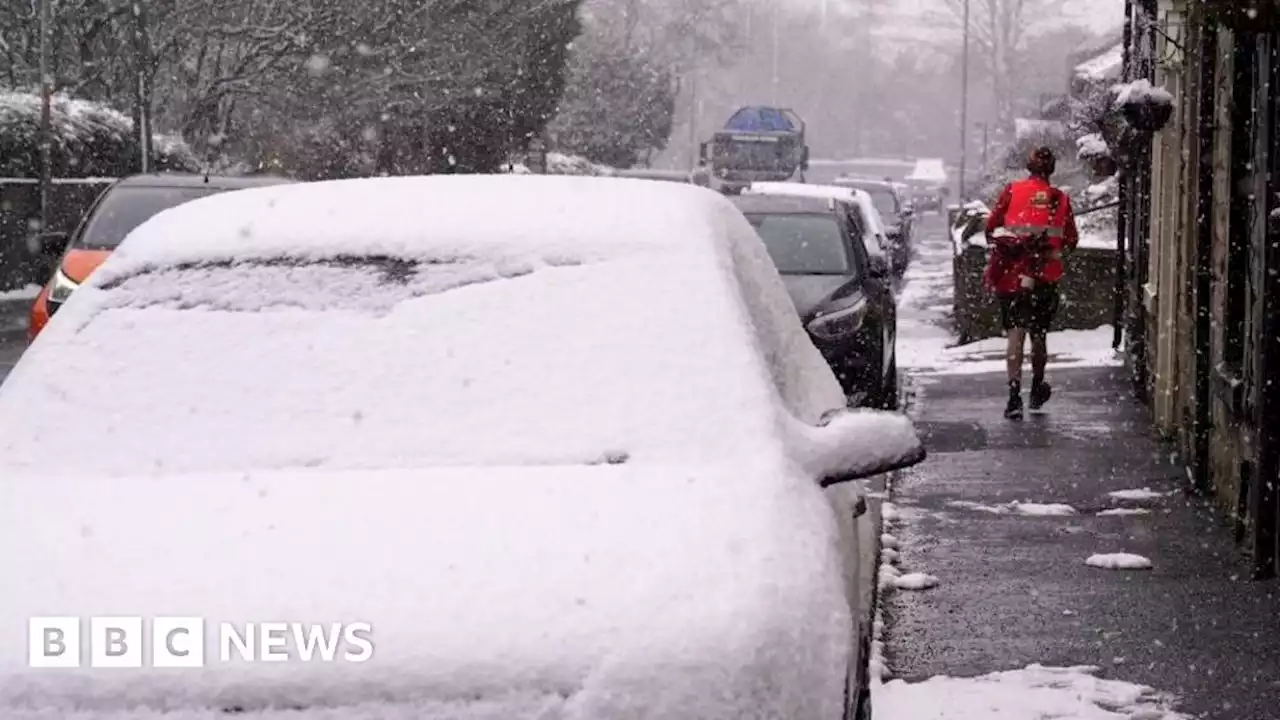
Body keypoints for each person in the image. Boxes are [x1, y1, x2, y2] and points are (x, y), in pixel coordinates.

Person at [983, 146, 1079, 420]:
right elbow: (1071, 240)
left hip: (1013, 275)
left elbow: (991, 227)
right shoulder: (1059, 199)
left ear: (1028, 168)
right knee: (1039, 334)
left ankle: (1014, 397)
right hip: (1044, 276)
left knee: (1015, 334)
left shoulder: (1012, 191)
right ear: (1051, 170)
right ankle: (1037, 388)